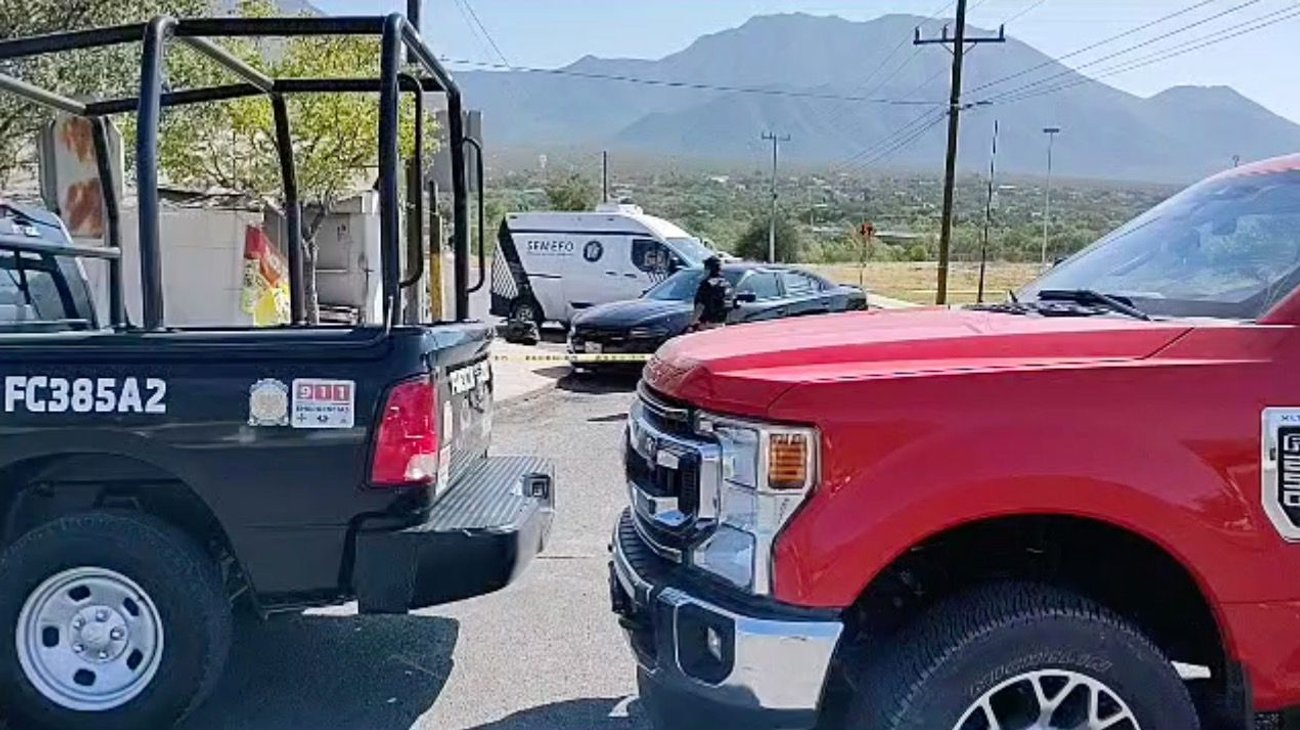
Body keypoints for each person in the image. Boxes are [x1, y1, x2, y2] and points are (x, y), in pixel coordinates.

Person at [692, 257, 732, 331]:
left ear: (709, 269)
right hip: (722, 323)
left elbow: (700, 305)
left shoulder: (707, 284)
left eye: (705, 268)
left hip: (707, 324)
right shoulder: (726, 283)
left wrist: (692, 323)